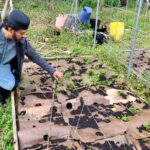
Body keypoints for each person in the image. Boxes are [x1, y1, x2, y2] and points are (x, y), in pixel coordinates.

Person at [0, 10, 63, 106]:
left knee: (10, 85)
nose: (23, 36)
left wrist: (52, 71)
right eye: (21, 33)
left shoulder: (21, 42)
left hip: (4, 68)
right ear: (10, 29)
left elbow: (34, 55)